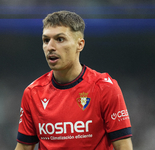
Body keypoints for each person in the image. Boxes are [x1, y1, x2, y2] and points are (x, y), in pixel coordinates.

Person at [15, 10, 133, 150]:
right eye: (46, 40)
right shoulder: (32, 93)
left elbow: (123, 147)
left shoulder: (105, 88)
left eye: (60, 39)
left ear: (80, 44)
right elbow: (23, 147)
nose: (50, 47)